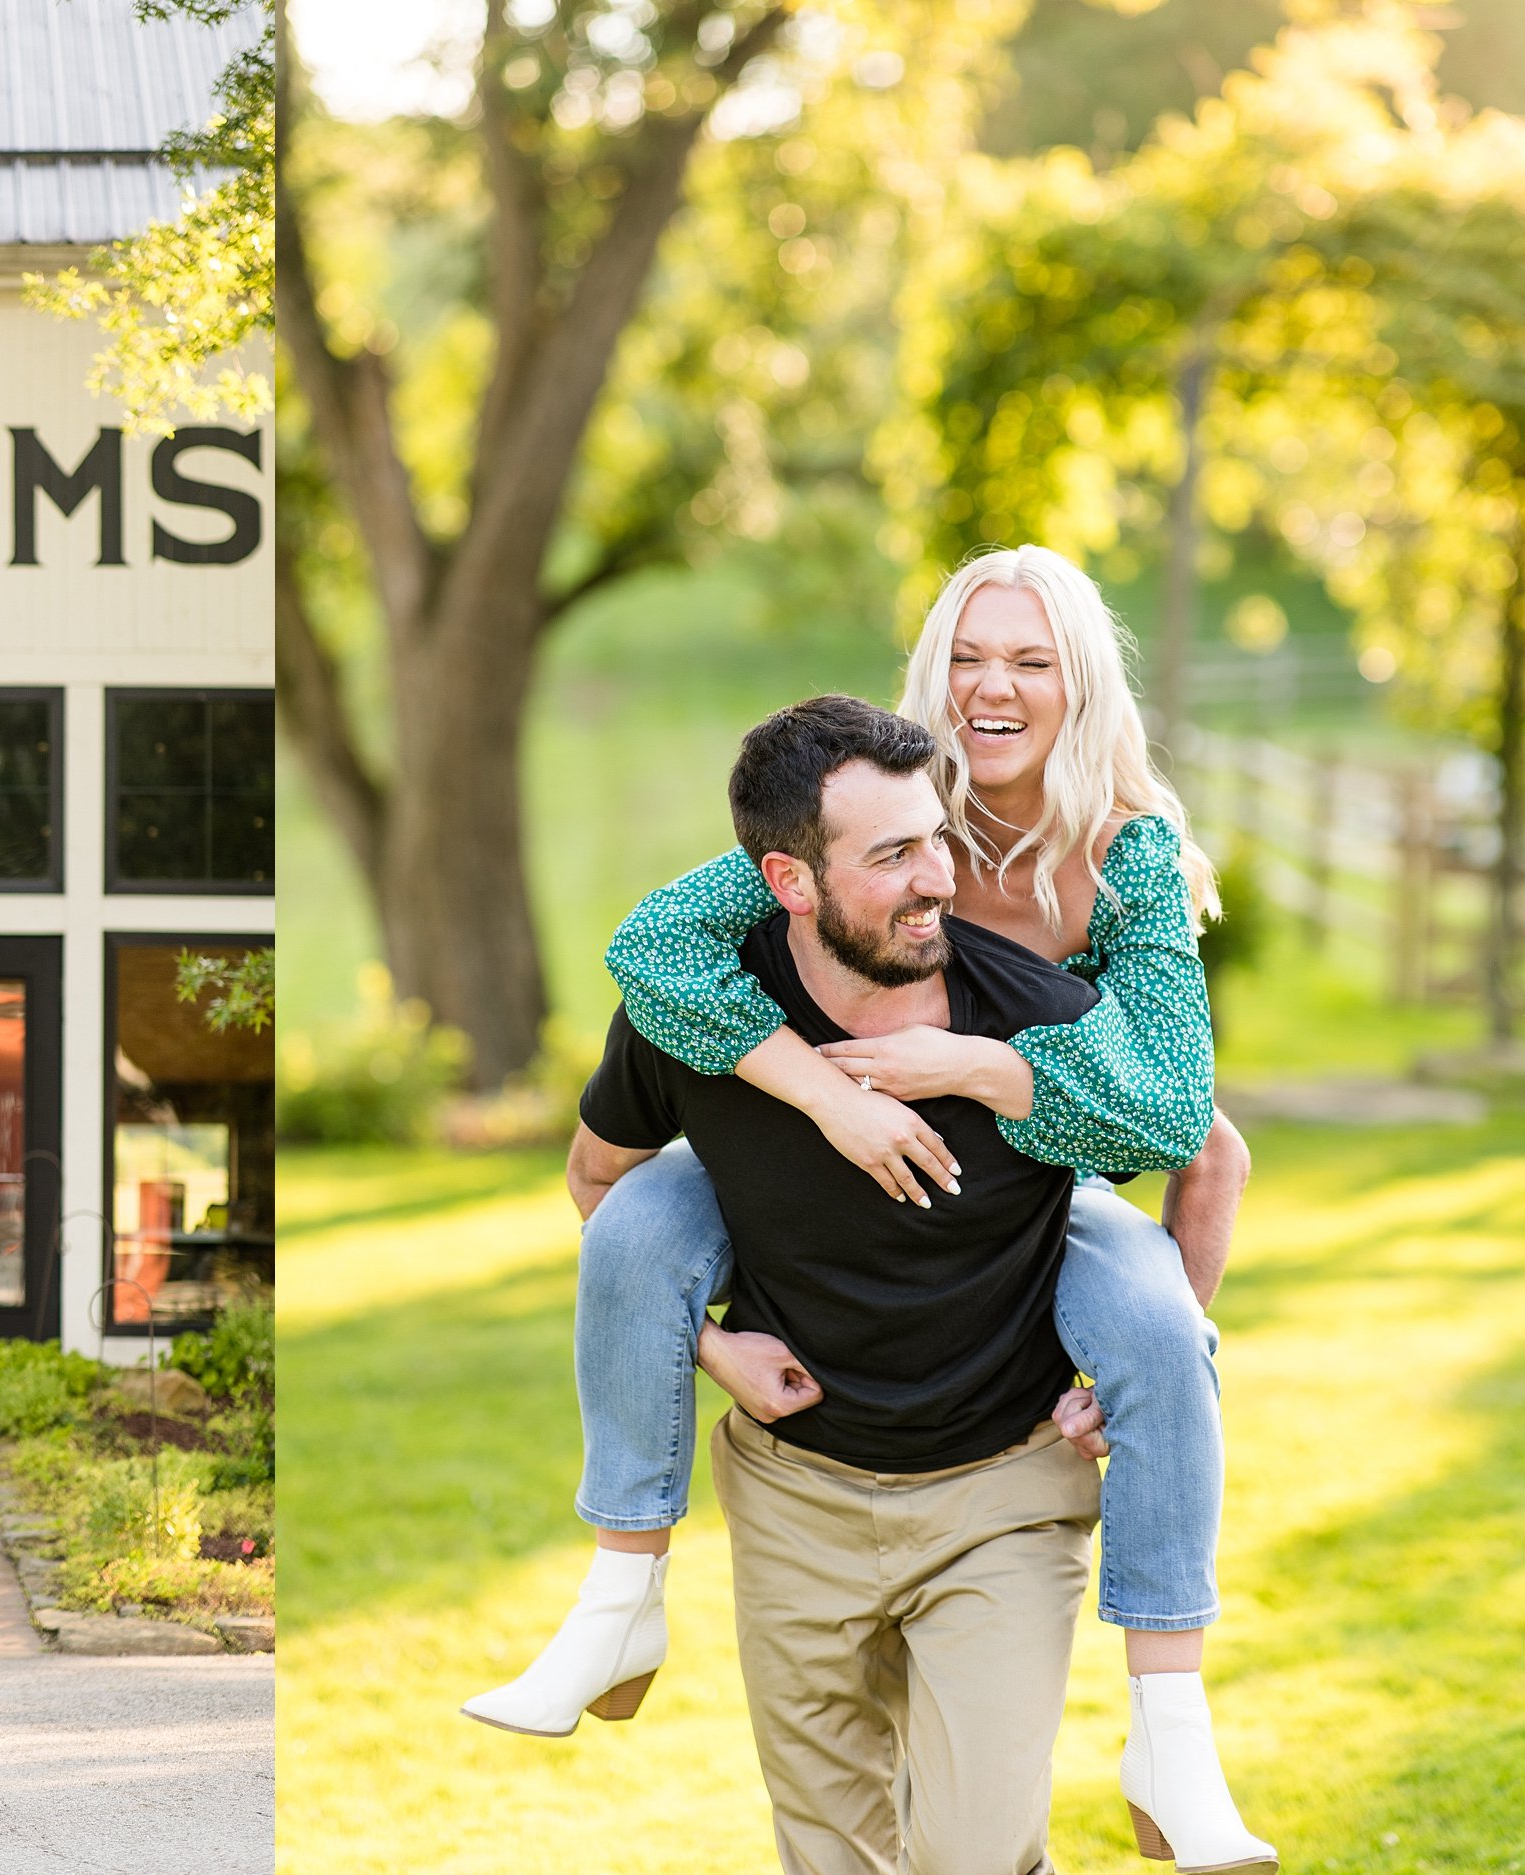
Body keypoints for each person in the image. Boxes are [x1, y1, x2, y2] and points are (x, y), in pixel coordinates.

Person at [465, 554, 1274, 1872]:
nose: (993, 684)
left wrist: (974, 1070)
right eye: (968, 653)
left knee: (1154, 1321)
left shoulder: (1123, 851)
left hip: (1038, 1173)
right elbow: (653, 951)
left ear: (1083, 681)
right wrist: (824, 1098)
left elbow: (1185, 1115)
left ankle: (1170, 1726)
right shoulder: (882, 793)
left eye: (1031, 658)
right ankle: (620, 1586)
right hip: (815, 1142)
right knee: (644, 1217)